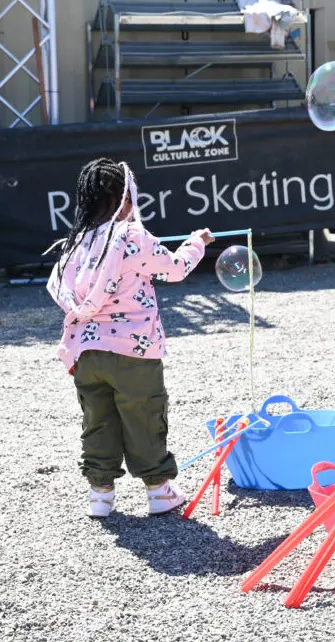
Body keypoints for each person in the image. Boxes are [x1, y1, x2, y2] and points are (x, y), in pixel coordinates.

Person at [47, 158, 214, 518]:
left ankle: (100, 495)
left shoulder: (76, 243)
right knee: (144, 416)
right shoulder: (132, 237)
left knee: (98, 420)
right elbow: (175, 269)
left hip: (86, 352)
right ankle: (159, 491)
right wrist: (195, 243)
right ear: (124, 200)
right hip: (134, 351)